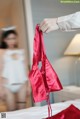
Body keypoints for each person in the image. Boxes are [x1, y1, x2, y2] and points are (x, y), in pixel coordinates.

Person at [0, 29, 31, 111]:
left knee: (22, 110)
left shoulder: (22, 51)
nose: (11, 41)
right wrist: (0, 89)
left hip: (22, 84)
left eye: (13, 38)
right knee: (11, 112)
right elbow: (0, 70)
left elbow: (26, 69)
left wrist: (29, 86)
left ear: (16, 39)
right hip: (7, 85)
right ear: (4, 40)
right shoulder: (1, 52)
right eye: (8, 39)